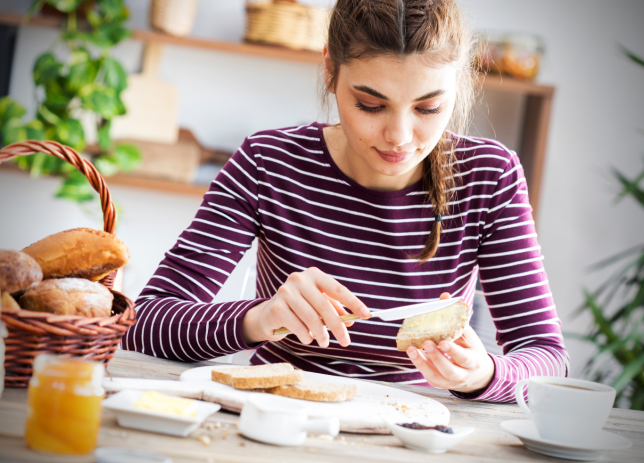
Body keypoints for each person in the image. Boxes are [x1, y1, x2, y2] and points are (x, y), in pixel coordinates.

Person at [123, 0, 568, 401]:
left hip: (416, 428)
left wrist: (484, 375)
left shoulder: (489, 176)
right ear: (330, 72)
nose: (399, 136)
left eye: (428, 108)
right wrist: (260, 318)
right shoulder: (268, 162)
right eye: (371, 105)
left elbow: (547, 357)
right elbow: (144, 323)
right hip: (279, 412)